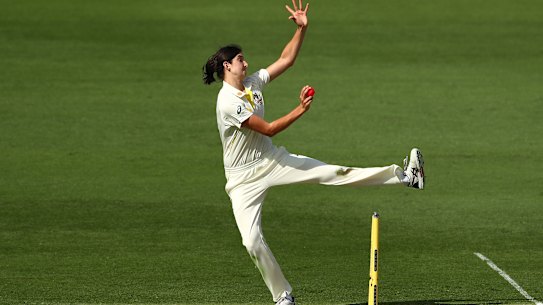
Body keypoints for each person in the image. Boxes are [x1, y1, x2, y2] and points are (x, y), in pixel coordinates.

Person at [202, 1, 424, 304]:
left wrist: (301, 29)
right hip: (242, 180)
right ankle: (283, 297)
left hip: (271, 160)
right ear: (227, 66)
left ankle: (405, 177)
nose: (246, 62)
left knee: (333, 173)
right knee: (251, 241)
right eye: (240, 59)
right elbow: (267, 129)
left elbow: (286, 59)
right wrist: (300, 109)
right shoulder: (228, 102)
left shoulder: (252, 83)